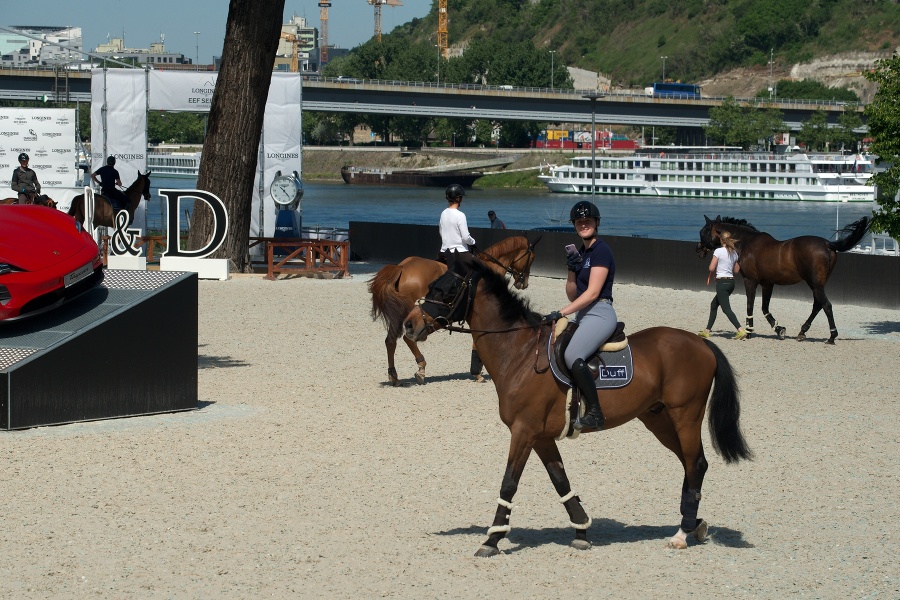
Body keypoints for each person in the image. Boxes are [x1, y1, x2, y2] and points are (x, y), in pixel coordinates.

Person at [541, 200, 616, 431]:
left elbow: (593, 293)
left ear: (597, 223)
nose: (584, 225)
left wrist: (561, 312)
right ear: (575, 225)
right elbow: (574, 295)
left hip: (601, 312)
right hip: (583, 313)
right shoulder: (582, 253)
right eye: (580, 222)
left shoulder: (601, 250)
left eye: (588, 221)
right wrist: (571, 271)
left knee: (573, 354)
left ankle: (595, 412)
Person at [698, 231, 748, 340]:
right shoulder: (734, 253)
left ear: (721, 240)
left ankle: (740, 330)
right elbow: (736, 270)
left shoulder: (718, 251)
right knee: (714, 305)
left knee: (726, 309)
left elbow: (711, 268)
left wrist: (717, 267)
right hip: (731, 283)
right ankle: (707, 331)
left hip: (722, 283)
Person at [438, 183, 476, 263]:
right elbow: (465, 237)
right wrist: (473, 242)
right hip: (459, 253)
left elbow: (441, 232)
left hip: (444, 252)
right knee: (478, 268)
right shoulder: (460, 215)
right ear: (458, 198)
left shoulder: (443, 213)